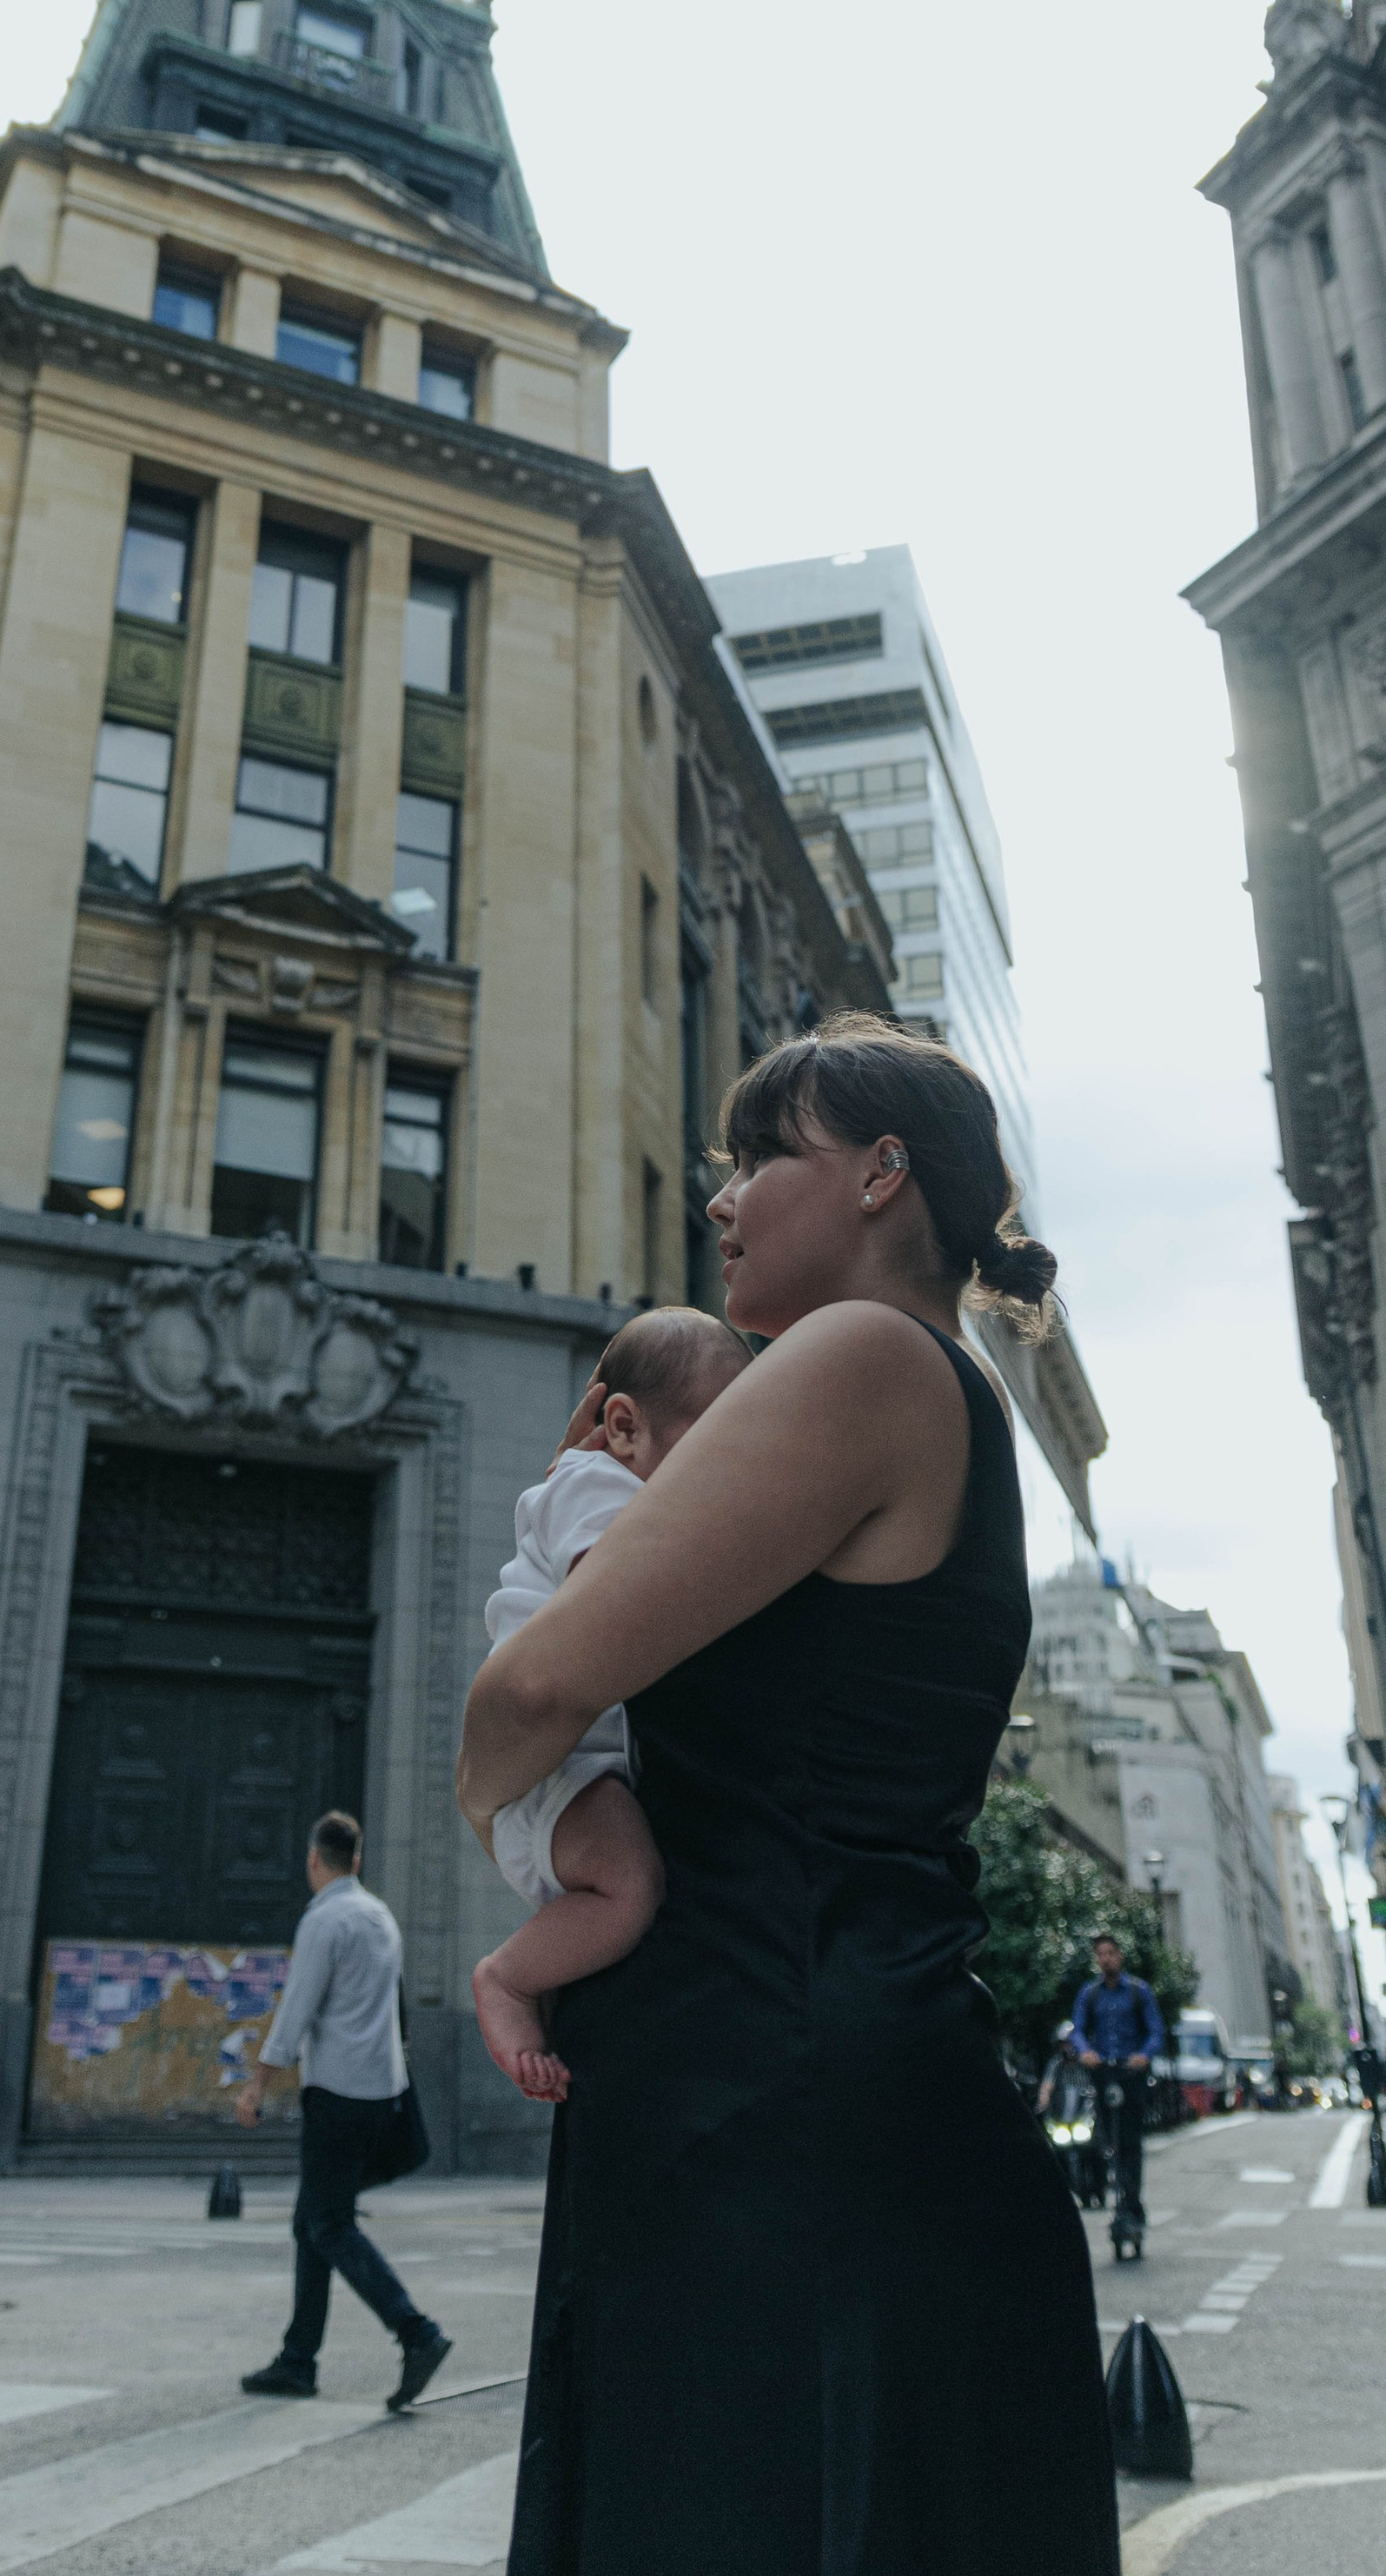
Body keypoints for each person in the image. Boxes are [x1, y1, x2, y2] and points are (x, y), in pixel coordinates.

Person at [460, 1012, 1119, 2576]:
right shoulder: (928, 1393)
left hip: (773, 2103)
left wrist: (494, 1791)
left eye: (764, 1156)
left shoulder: (865, 1356)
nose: (726, 1198)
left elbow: (530, 1692)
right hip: (823, 2081)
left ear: (887, 1175)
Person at [472, 1306, 751, 2101]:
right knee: (630, 1886)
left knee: (621, 1894)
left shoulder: (615, 1482)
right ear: (623, 1426)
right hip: (560, 1770)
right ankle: (509, 1978)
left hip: (578, 1762)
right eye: (715, 1449)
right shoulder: (594, 1483)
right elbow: (621, 1599)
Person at [235, 1811, 452, 2413]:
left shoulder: (324, 1920)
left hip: (336, 2094)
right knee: (313, 2221)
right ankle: (298, 2359)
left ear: (314, 1859)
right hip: (380, 2092)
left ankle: (417, 2331)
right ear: (356, 1859)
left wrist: (258, 2083)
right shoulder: (381, 1916)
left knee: (328, 2224)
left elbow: (298, 2007)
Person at [1070, 1931, 1166, 2232]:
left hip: (1130, 2074)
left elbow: (1156, 2032)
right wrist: (1085, 2052)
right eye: (1101, 1954)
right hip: (1104, 2072)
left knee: (1130, 2140)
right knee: (1106, 2136)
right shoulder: (1090, 1993)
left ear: (1119, 1956)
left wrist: (1143, 2055)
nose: (1106, 1959)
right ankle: (1109, 2192)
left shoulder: (1138, 1991)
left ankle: (1133, 2203)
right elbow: (1077, 2030)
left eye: (1110, 1953)